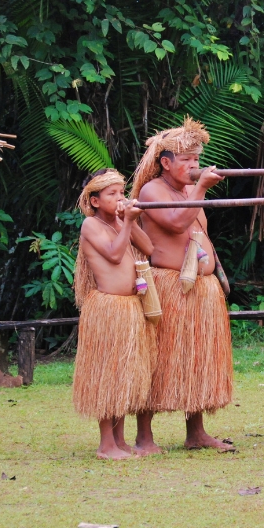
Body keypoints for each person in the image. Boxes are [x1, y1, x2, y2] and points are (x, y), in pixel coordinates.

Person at [130, 117, 233, 450]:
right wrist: (201, 187)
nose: (194, 166)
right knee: (159, 359)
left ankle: (196, 432)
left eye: (197, 159)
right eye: (187, 160)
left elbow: (199, 234)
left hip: (200, 287)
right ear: (165, 162)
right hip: (168, 285)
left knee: (195, 359)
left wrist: (217, 271)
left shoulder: (189, 190)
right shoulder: (152, 190)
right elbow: (176, 225)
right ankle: (144, 436)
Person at [72, 168, 156, 459]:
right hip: (107, 308)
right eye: (112, 194)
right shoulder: (91, 225)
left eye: (122, 192)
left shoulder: (120, 222)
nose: (120, 198)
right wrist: (128, 221)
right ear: (95, 200)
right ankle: (106, 444)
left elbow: (148, 248)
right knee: (107, 374)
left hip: (129, 308)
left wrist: (128, 221)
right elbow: (114, 255)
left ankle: (120, 441)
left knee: (123, 374)